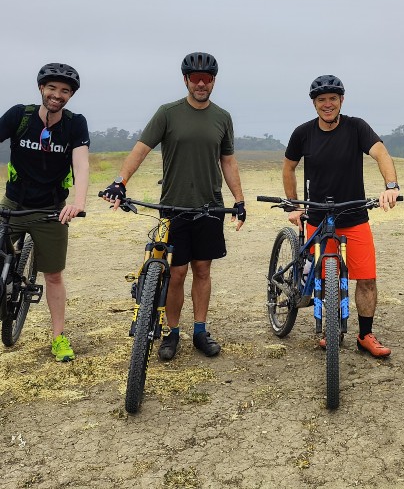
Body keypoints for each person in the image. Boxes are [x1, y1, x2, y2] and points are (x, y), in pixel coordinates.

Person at [101, 52, 245, 360]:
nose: (201, 84)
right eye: (195, 78)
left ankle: (200, 331)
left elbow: (228, 161)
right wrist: (120, 181)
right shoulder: (167, 113)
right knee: (177, 272)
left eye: (207, 79)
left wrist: (240, 200)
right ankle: (172, 333)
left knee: (203, 270)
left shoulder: (222, 117)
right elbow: (140, 149)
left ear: (214, 82)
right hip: (174, 206)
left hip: (210, 208)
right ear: (186, 81)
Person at [283, 75, 400, 358]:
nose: (327, 105)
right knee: (324, 278)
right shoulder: (303, 133)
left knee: (367, 279)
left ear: (341, 100)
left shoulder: (356, 127)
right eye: (321, 100)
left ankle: (365, 334)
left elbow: (381, 153)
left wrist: (391, 186)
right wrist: (294, 206)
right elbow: (289, 169)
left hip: (355, 216)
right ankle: (327, 329)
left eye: (332, 99)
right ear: (314, 104)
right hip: (317, 217)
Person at [0, 63, 90, 362]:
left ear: (70, 96)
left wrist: (77, 202)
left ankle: (59, 338)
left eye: (65, 91)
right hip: (13, 205)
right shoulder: (20, 116)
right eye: (52, 88)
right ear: (42, 88)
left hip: (52, 210)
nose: (57, 95)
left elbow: (81, 164)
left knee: (53, 276)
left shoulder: (74, 124)